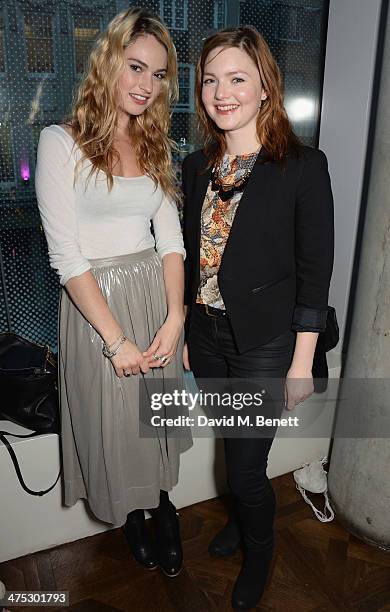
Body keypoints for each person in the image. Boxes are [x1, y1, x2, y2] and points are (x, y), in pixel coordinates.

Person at [35, 7, 192, 578]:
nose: (147, 86)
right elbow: (66, 256)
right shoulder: (60, 141)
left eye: (158, 75)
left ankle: (165, 505)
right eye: (136, 67)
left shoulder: (155, 144)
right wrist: (116, 341)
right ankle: (133, 516)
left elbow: (171, 239)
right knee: (119, 423)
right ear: (109, 61)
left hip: (156, 297)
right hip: (98, 310)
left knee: (159, 418)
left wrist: (176, 319)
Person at [182, 26, 334, 609]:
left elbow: (313, 272)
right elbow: (200, 259)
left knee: (246, 470)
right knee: (230, 449)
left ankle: (261, 550)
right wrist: (195, 334)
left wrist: (300, 361)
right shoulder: (198, 166)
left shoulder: (301, 166)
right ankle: (242, 525)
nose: (222, 92)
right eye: (211, 80)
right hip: (211, 338)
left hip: (268, 346)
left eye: (238, 78)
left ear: (265, 86)